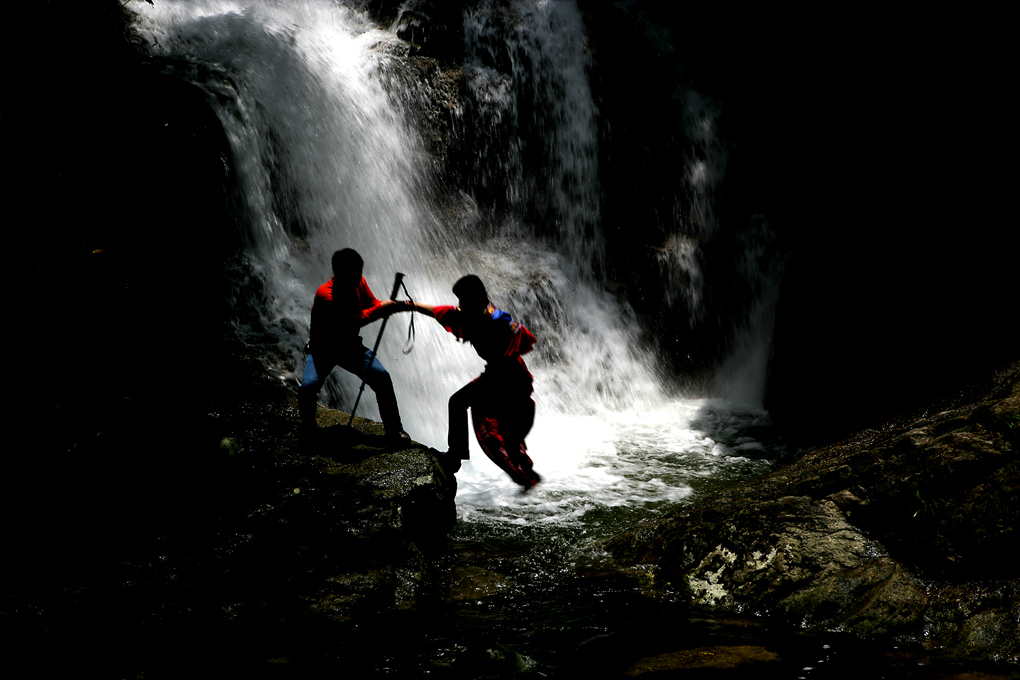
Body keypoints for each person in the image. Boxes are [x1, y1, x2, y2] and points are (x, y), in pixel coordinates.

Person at [410, 275, 541, 490]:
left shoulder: (497, 319)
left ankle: (456, 458)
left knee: (462, 404)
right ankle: (524, 472)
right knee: (494, 425)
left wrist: (503, 354)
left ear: (475, 299)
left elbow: (522, 336)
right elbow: (440, 311)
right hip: (498, 376)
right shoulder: (470, 315)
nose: (459, 305)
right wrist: (410, 305)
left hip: (509, 379)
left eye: (462, 299)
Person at [299, 248, 414, 441]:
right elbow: (355, 320)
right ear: (338, 274)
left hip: (350, 346)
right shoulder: (325, 296)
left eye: (359, 274)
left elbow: (372, 305)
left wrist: (390, 306)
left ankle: (395, 430)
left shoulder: (359, 282)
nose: (358, 279)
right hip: (324, 348)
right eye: (352, 276)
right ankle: (309, 431)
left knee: (382, 378)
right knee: (308, 387)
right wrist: (385, 308)